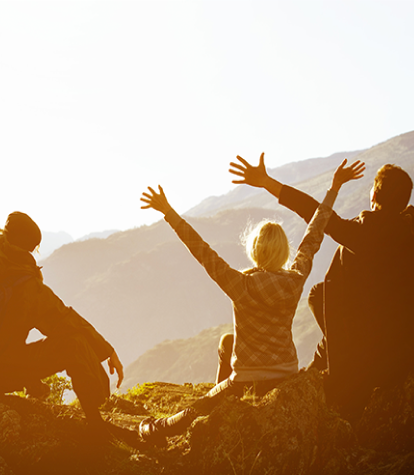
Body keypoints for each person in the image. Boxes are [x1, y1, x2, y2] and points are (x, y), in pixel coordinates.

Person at [138, 159, 364, 444]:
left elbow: (201, 250)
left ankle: (154, 429)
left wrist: (168, 212)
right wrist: (334, 187)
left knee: (198, 409)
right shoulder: (295, 280)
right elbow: (314, 233)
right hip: (286, 377)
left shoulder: (239, 284)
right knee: (227, 342)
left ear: (254, 250)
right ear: (284, 250)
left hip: (246, 381)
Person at [229, 153, 414, 419]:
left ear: (374, 194)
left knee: (320, 292)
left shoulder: (361, 232)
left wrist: (268, 182)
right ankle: (326, 357)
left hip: (377, 361)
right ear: (405, 200)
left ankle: (331, 362)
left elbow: (315, 213)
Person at [0, 185, 124, 425]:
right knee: (75, 344)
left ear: (4, 236)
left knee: (9, 341)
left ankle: (36, 388)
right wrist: (107, 351)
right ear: (31, 248)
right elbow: (68, 322)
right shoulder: (30, 289)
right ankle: (98, 421)